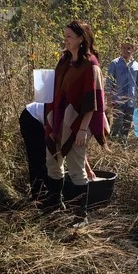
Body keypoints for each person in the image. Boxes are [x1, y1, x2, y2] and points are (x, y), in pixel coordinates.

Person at [43, 20, 108, 223]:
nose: (66, 39)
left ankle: (81, 215)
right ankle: (55, 201)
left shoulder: (90, 66)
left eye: (69, 36)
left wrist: (81, 130)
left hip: (79, 122)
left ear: (81, 39)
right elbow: (55, 88)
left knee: (76, 167)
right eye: (65, 35)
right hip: (59, 118)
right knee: (53, 161)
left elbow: (92, 101)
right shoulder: (64, 61)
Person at [106, 39, 138, 140]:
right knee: (118, 122)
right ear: (120, 48)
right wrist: (109, 97)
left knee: (127, 123)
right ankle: (112, 141)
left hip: (130, 100)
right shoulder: (115, 63)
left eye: (129, 48)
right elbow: (109, 81)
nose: (126, 50)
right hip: (118, 99)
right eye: (124, 48)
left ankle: (122, 143)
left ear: (133, 50)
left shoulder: (136, 65)